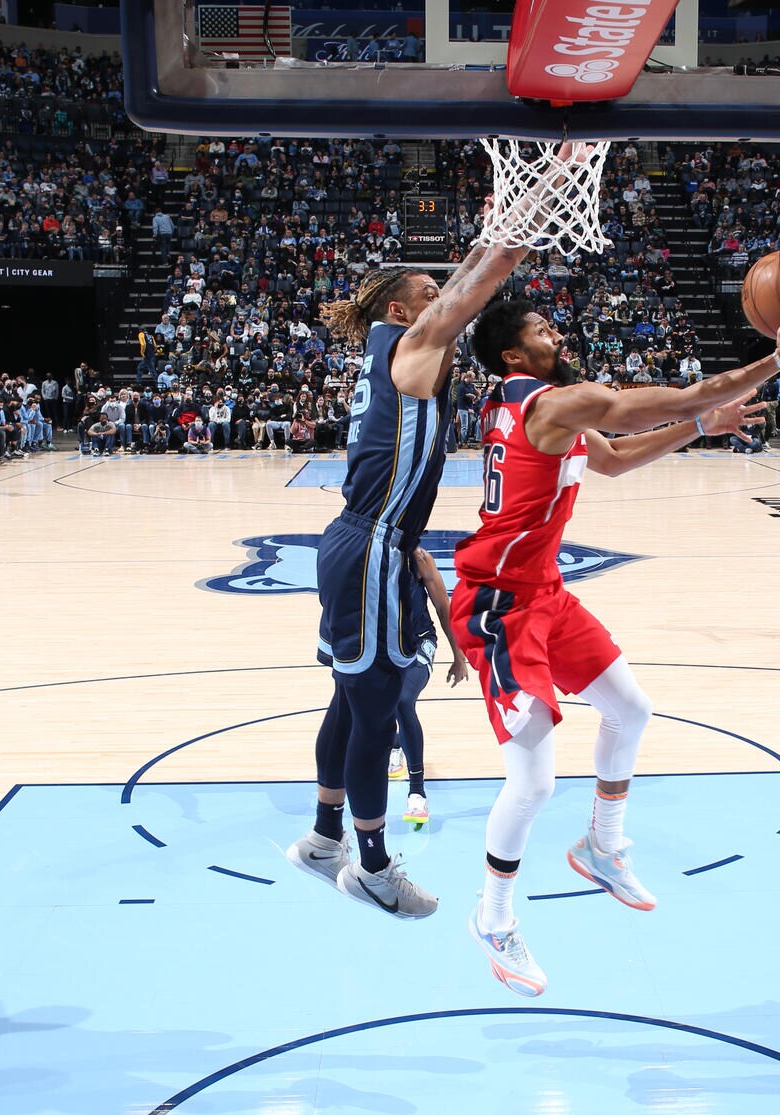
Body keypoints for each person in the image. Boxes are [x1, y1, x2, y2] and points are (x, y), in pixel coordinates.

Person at [453, 292, 780, 996]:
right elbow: (677, 394)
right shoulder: (550, 404)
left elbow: (616, 459)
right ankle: (493, 915)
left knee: (632, 708)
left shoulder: (526, 406)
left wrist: (699, 427)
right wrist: (777, 359)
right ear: (513, 354)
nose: (556, 330)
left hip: (544, 593)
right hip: (499, 608)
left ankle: (603, 843)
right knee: (533, 781)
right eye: (541, 328)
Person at [285, 172, 557, 921]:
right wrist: (536, 201)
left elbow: (473, 274)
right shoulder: (411, 348)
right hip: (374, 543)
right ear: (407, 310)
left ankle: (322, 836)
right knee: (375, 712)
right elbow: (486, 277)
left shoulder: (396, 348)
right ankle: (371, 865)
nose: (448, 297)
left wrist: (492, 226)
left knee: (349, 693)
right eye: (433, 292)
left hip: (363, 542)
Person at [385, 546, 469, 828]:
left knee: (402, 700)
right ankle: (395, 744)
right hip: (381, 646)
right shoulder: (366, 553)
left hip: (419, 641)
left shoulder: (418, 558)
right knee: (376, 707)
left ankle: (417, 790)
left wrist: (458, 655)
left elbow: (443, 606)